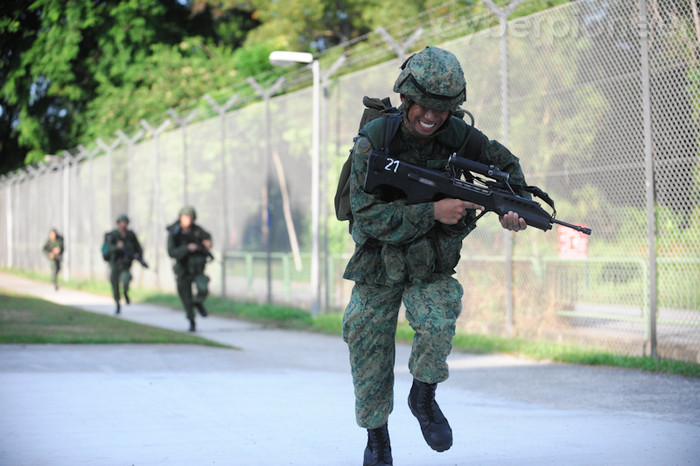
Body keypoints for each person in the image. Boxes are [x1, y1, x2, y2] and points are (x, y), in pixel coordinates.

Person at [342, 46, 530, 466]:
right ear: (405, 98)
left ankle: (423, 396)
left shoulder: (459, 135)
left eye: (441, 109)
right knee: (367, 345)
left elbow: (507, 167)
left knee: (438, 319)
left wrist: (513, 208)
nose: (431, 116)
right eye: (423, 106)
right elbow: (366, 215)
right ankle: (377, 438)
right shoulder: (375, 140)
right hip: (377, 263)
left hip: (430, 260)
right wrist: (433, 212)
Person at [166, 206, 213, 332]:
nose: (188, 220)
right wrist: (187, 248)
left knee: (203, 288)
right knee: (186, 298)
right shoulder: (175, 232)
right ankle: (191, 321)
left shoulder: (197, 230)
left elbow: (208, 238)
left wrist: (207, 243)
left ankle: (198, 302)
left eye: (190, 218)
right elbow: (171, 252)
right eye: (185, 217)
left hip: (198, 269)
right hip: (183, 269)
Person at [106, 214, 145, 315]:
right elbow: (108, 248)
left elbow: (138, 247)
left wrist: (140, 257)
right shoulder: (113, 235)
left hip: (126, 264)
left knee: (126, 280)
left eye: (125, 222)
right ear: (118, 223)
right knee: (115, 284)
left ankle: (125, 292)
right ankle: (117, 304)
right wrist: (117, 247)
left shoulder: (130, 235)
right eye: (122, 222)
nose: (123, 224)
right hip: (115, 264)